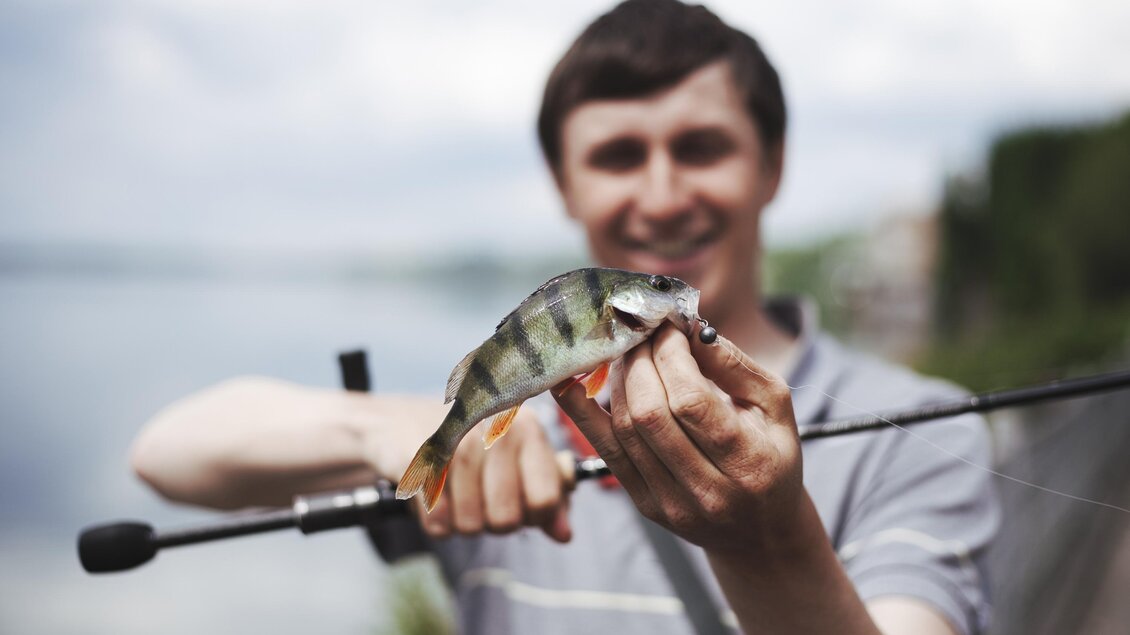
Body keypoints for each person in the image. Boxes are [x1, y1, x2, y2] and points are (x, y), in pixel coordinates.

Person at [130, 1, 998, 633]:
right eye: (618, 156)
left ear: (771, 165)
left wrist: (766, 541)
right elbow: (167, 454)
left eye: (700, 147)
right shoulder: (500, 433)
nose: (663, 195)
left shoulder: (924, 428)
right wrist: (389, 428)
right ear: (563, 183)